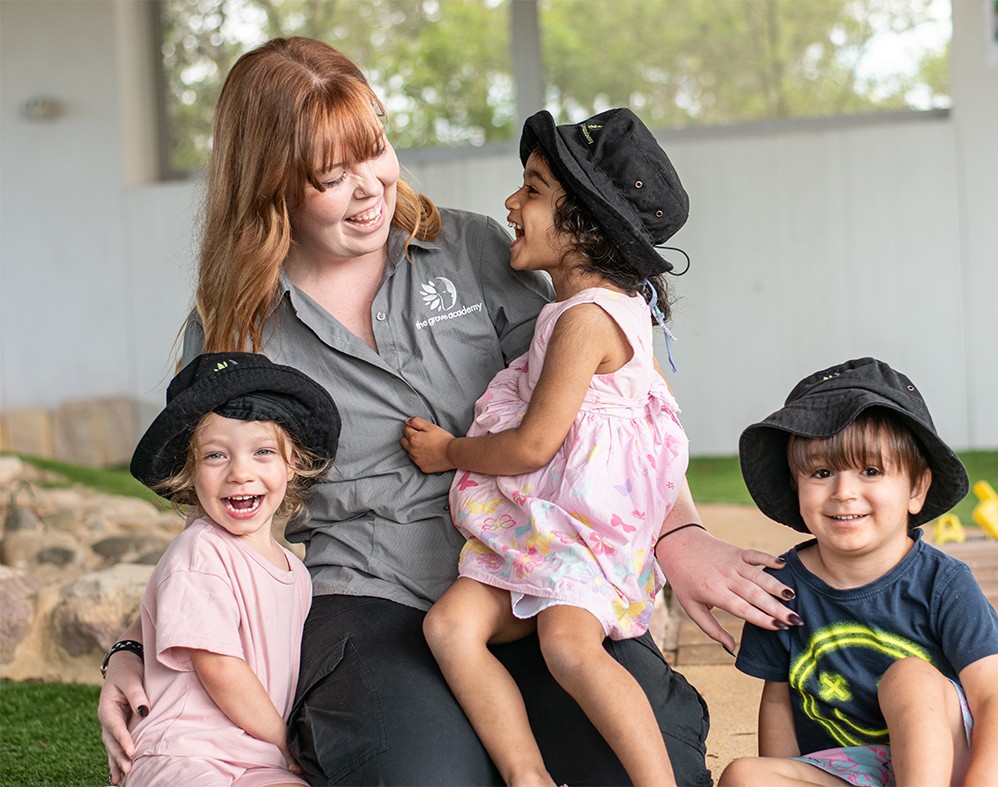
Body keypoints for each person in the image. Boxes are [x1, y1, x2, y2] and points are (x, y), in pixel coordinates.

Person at [98, 36, 799, 786]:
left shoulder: (469, 248)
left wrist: (680, 530)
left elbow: (606, 410)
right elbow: (216, 521)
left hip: (533, 574)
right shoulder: (236, 328)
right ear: (269, 185)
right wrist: (133, 651)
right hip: (372, 598)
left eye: (375, 151)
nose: (369, 188)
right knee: (427, 773)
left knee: (640, 758)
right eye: (332, 176)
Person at [399, 107, 689, 786]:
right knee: (448, 628)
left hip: (581, 534)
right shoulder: (573, 310)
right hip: (542, 534)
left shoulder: (588, 319)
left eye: (532, 190)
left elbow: (532, 444)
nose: (511, 202)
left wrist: (447, 452)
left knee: (567, 645)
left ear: (584, 225)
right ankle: (527, 774)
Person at [719, 357, 998, 787]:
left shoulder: (943, 583)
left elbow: (994, 697)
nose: (844, 492)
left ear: (916, 489)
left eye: (870, 471)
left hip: (956, 761)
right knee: (744, 777)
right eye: (822, 472)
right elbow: (779, 700)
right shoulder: (781, 587)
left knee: (908, 678)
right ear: (797, 486)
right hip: (854, 770)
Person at [120, 352, 341, 787]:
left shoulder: (295, 573)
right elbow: (218, 666)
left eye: (262, 452)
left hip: (255, 758)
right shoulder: (200, 552)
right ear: (191, 472)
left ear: (292, 462)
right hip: (186, 750)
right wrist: (284, 739)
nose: (241, 473)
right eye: (216, 456)